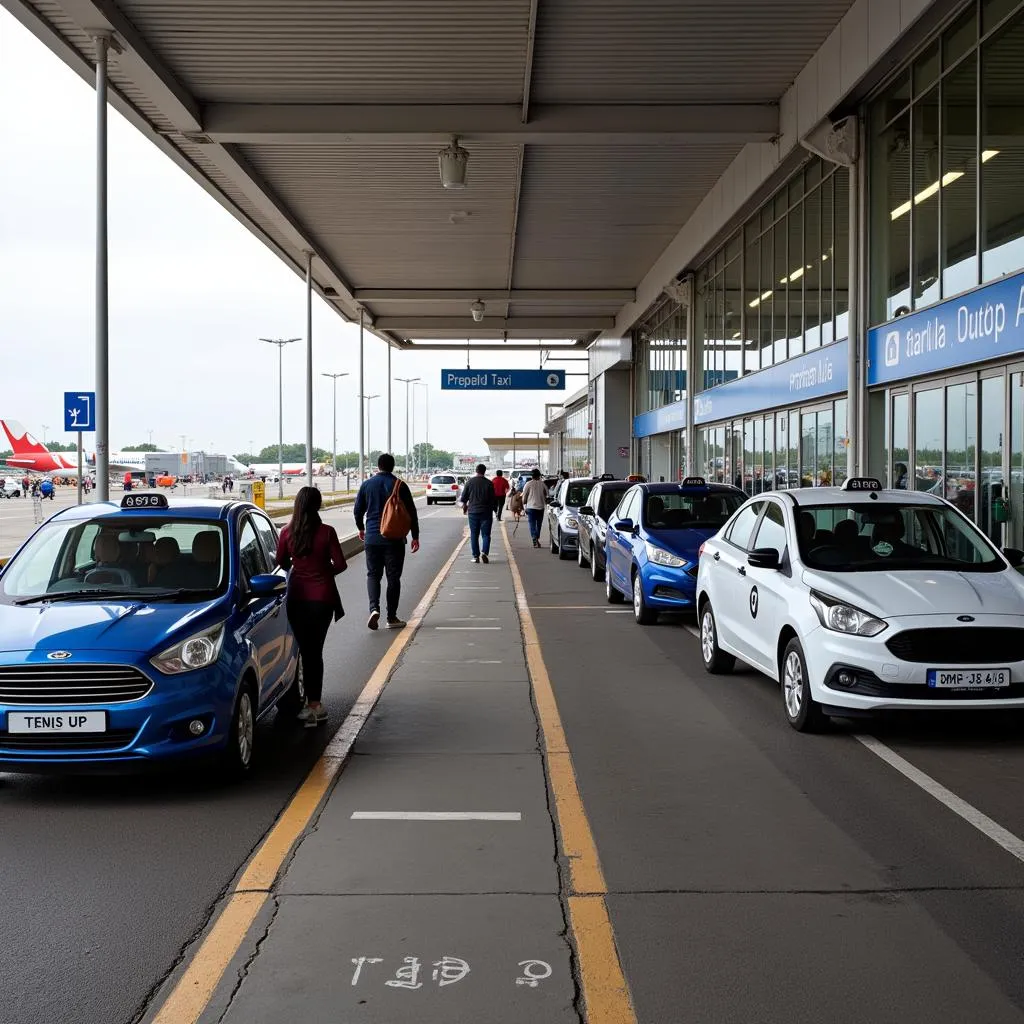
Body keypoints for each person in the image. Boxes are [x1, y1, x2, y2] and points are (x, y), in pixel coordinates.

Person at [276, 486, 347, 727]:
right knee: (314, 651)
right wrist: (322, 572)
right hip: (323, 599)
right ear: (317, 506)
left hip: (297, 598)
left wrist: (301, 568)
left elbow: (281, 562)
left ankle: (309, 704)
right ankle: (314, 704)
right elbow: (340, 564)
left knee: (305, 649)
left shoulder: (286, 532)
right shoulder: (327, 532)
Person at [354, 453, 420, 630]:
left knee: (373, 575)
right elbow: (411, 513)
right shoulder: (400, 485)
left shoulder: (367, 485)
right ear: (392, 467)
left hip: (372, 538)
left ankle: (373, 608)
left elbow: (357, 511)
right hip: (394, 539)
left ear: (378, 466)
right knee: (393, 578)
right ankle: (391, 617)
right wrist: (415, 536)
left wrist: (361, 528)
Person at [461, 463, 496, 564]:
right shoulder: (489, 483)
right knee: (486, 534)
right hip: (486, 512)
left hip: (473, 512)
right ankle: (484, 552)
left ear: (476, 471)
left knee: (474, 534)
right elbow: (493, 499)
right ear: (484, 471)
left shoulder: (469, 482)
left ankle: (475, 556)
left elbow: (464, 498)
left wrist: (465, 507)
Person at [521, 468, 549, 549]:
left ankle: (534, 538)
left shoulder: (528, 484)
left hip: (530, 507)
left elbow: (524, 497)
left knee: (532, 524)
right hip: (541, 507)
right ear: (539, 475)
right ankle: (536, 538)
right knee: (539, 524)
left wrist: (524, 507)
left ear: (532, 476)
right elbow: (547, 494)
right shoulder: (543, 484)